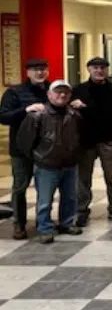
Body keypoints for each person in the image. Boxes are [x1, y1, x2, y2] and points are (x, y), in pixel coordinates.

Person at [16, 80, 83, 243]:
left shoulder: (75, 115)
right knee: (45, 200)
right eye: (58, 92)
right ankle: (44, 227)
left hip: (69, 164)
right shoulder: (37, 115)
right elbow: (24, 141)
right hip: (46, 165)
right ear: (49, 94)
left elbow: (80, 137)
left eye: (65, 92)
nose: (62, 95)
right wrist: (38, 157)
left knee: (70, 197)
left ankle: (67, 223)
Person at [69, 57, 112, 226]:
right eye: (95, 67)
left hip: (109, 139)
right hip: (86, 141)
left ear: (107, 70)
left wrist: (87, 107)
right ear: (89, 69)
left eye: (102, 67)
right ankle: (82, 210)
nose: (99, 70)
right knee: (83, 178)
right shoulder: (78, 90)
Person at [0, 58, 50, 239]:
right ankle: (19, 224)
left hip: (46, 149)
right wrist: (26, 109)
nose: (40, 73)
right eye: (36, 69)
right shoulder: (14, 92)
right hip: (21, 149)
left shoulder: (53, 90)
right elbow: (3, 116)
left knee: (45, 188)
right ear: (27, 72)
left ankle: (43, 222)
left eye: (43, 69)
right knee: (20, 188)